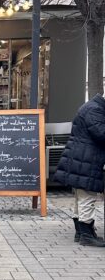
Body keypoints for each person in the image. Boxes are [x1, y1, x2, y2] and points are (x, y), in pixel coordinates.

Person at [53, 95, 105, 247]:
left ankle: (81, 232)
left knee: (80, 197)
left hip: (81, 158)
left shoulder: (92, 107)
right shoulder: (95, 110)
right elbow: (102, 134)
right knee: (87, 197)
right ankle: (86, 235)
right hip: (86, 160)